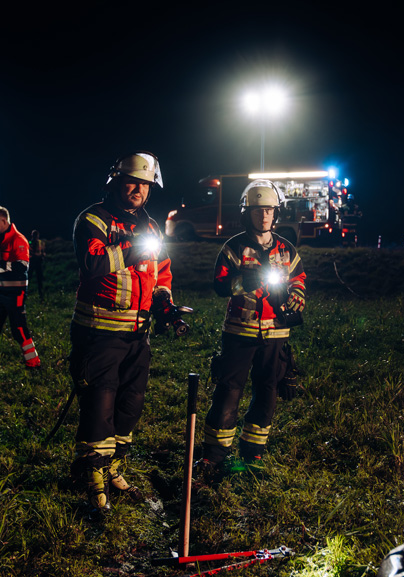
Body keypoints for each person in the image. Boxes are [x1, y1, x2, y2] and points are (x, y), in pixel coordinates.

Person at [68, 151, 174, 513]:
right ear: (115, 181)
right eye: (132, 181)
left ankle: (112, 467)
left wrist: (166, 304)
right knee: (100, 405)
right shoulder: (93, 219)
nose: (138, 189)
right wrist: (132, 247)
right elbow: (94, 262)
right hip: (99, 332)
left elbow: (161, 273)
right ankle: (92, 477)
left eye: (145, 184)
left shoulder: (153, 226)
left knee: (130, 407)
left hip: (137, 335)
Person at [199, 179, 307, 476]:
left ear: (276, 213)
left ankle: (253, 452)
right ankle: (215, 455)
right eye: (258, 210)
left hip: (276, 335)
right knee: (228, 392)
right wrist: (240, 284)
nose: (264, 216)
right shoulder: (233, 247)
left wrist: (297, 297)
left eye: (269, 210)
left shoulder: (287, 250)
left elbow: (298, 279)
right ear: (247, 213)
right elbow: (220, 286)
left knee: (268, 392)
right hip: (239, 334)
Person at [0, 206, 41, 370]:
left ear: (4, 221)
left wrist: (0, 264)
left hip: (15, 294)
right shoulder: (2, 238)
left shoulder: (18, 239)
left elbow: (22, 267)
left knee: (19, 330)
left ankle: (33, 363)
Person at [29, 229, 46, 300]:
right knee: (29, 277)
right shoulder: (29, 242)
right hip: (32, 262)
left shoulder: (41, 243)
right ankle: (25, 293)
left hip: (38, 262)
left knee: (39, 279)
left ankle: (41, 294)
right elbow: (29, 252)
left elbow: (43, 252)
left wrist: (42, 255)